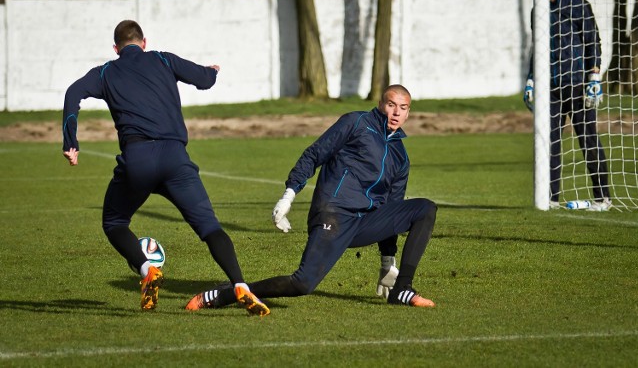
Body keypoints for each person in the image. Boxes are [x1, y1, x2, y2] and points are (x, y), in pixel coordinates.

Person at [62, 20, 270, 315]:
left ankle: (147, 269)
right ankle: (240, 285)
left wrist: (71, 142)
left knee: (114, 222)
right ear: (144, 42)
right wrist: (212, 72)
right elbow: (205, 80)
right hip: (176, 159)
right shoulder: (162, 58)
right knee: (210, 227)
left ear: (115, 48)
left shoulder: (106, 72)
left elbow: (73, 93)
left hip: (138, 159)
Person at [186, 84, 438, 312]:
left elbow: (391, 208)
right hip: (334, 214)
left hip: (364, 223)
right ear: (381, 104)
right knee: (303, 283)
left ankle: (402, 289)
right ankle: (227, 293)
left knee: (425, 209)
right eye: (391, 104)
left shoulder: (400, 156)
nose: (396, 112)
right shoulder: (356, 123)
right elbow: (314, 154)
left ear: (408, 113)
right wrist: (288, 196)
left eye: (402, 108)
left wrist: (387, 261)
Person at [523, 0, 611, 211]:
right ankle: (550, 198)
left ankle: (602, 198)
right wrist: (531, 79)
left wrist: (594, 75)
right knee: (548, 143)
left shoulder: (578, 5)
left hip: (578, 84)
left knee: (588, 139)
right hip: (549, 88)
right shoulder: (536, 11)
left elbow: (593, 41)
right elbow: (536, 48)